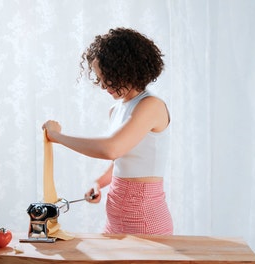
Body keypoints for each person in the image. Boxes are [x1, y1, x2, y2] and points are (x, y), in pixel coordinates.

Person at [42, 27, 173, 235]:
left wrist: (56, 136)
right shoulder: (116, 110)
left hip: (145, 217)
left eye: (107, 77)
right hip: (115, 214)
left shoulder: (151, 105)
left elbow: (111, 149)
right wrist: (99, 183)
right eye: (100, 77)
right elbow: (121, 160)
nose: (103, 86)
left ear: (126, 69)